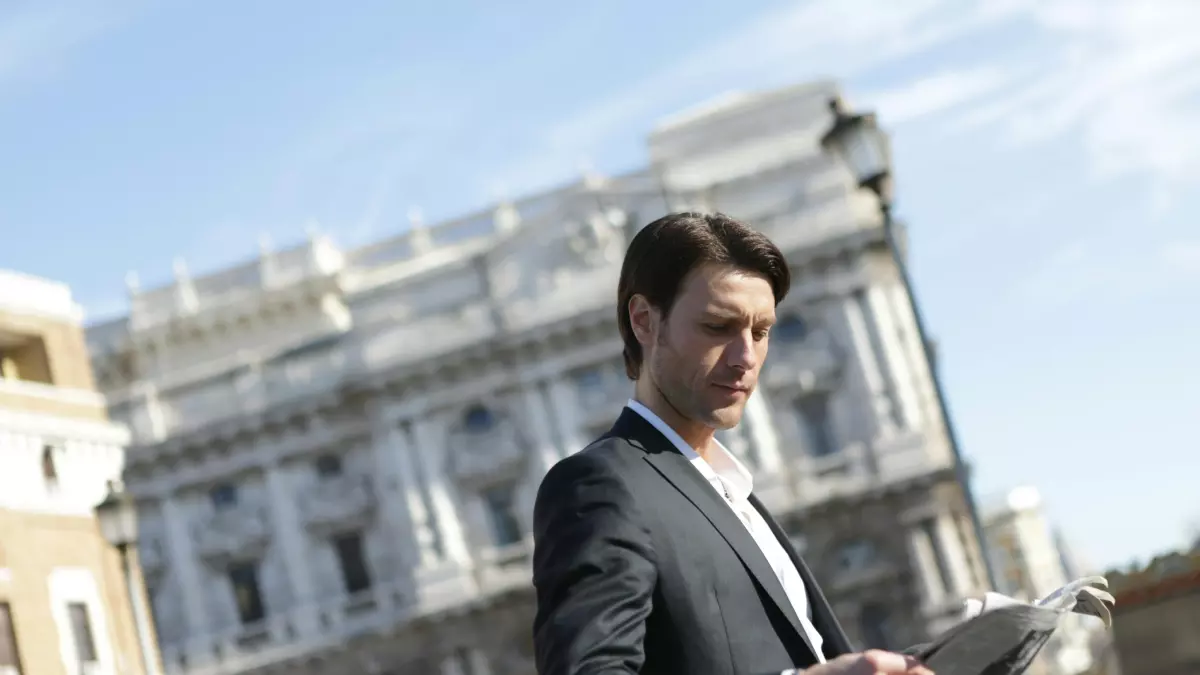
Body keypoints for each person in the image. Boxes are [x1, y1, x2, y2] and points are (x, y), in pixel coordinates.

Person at [531, 212, 934, 675]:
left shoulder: (734, 495)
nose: (746, 358)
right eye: (718, 327)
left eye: (760, 332)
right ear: (644, 320)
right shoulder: (600, 485)